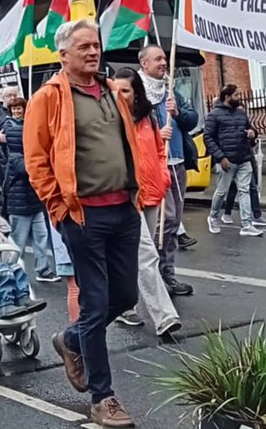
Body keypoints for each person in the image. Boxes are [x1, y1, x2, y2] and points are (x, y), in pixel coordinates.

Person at [25, 19, 155, 428]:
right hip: (82, 215)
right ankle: (104, 397)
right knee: (95, 303)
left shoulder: (113, 92)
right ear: (63, 55)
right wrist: (58, 208)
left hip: (123, 209)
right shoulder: (48, 98)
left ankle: (71, 340)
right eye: (83, 46)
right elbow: (37, 160)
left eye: (95, 45)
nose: (92, 52)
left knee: (126, 296)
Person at [110, 69, 183, 338]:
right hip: (127, 197)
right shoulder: (111, 120)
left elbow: (159, 151)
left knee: (136, 256)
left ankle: (120, 303)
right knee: (146, 255)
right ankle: (164, 317)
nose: (119, 96)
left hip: (152, 192)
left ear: (136, 92)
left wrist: (163, 177)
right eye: (115, 90)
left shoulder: (148, 118)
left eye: (125, 91)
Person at [139, 43, 200, 278]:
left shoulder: (170, 91)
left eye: (164, 58)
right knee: (167, 218)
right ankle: (152, 270)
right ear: (144, 64)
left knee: (174, 223)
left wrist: (178, 113)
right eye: (158, 59)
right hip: (156, 166)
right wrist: (156, 135)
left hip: (178, 163)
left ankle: (168, 273)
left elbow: (191, 119)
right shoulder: (139, 95)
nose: (164, 63)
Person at [0, 96, 58, 283]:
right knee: (18, 241)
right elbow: (28, 169)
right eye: (14, 109)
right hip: (20, 203)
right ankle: (11, 272)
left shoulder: (20, 151)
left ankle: (43, 269)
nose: (17, 111)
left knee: (41, 237)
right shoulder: (16, 157)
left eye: (19, 108)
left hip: (35, 201)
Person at [203, 84, 262, 238]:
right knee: (222, 192)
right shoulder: (214, 115)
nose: (239, 98)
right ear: (227, 97)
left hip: (243, 158)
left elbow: (251, 129)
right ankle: (213, 217)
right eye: (236, 95)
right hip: (227, 161)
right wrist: (220, 157)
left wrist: (252, 133)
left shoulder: (241, 114)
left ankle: (247, 225)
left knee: (245, 191)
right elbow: (207, 137)